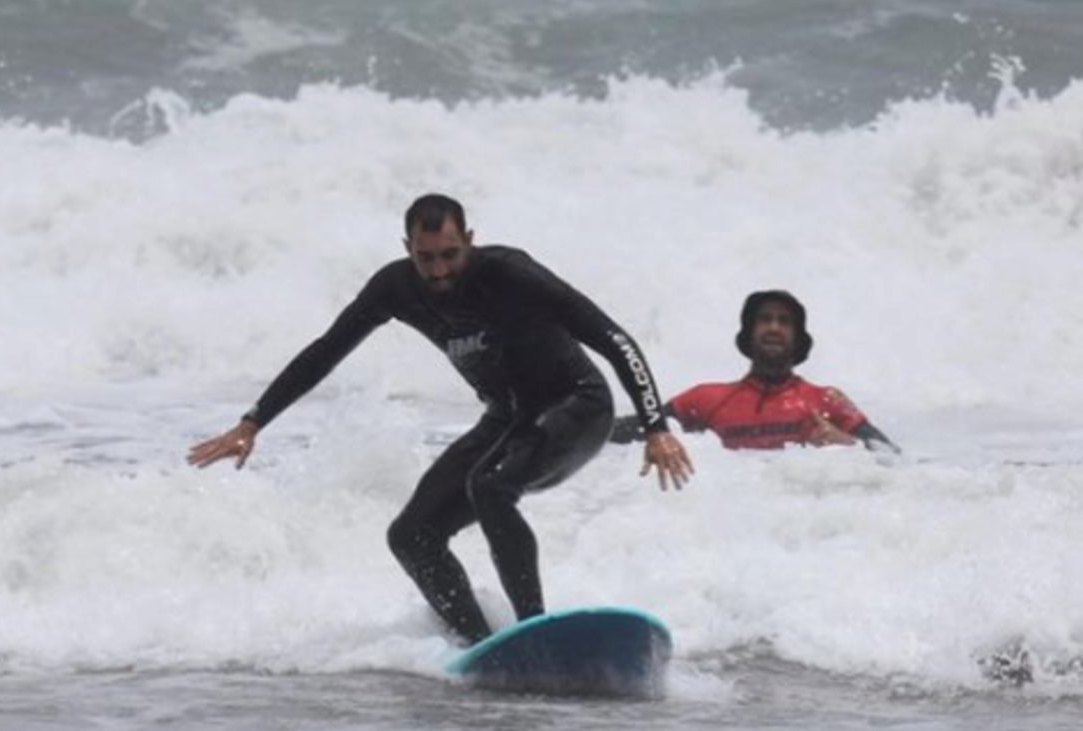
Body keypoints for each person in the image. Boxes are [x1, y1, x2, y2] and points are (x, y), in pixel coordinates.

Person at [188, 193, 694, 645]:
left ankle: (534, 632)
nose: (438, 271)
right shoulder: (395, 288)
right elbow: (325, 351)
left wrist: (655, 427)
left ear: (470, 242)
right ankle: (480, 648)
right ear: (407, 247)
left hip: (577, 404)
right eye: (424, 257)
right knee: (411, 535)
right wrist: (253, 422)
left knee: (491, 487)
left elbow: (614, 338)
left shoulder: (510, 273)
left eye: (450, 255)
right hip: (508, 418)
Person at [610, 290, 898, 452]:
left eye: (784, 321)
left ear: (798, 338)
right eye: (765, 319)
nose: (774, 327)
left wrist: (847, 444)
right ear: (749, 333)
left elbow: (895, 459)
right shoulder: (705, 400)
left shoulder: (826, 401)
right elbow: (633, 429)